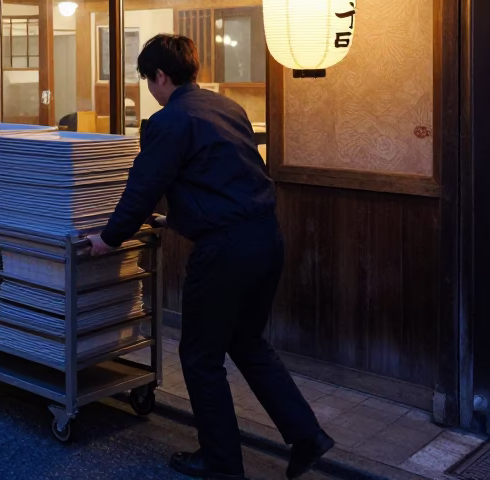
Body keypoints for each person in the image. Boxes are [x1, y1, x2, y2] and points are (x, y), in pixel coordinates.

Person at [86, 34, 333, 480]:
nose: (150, 89)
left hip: (224, 252)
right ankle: (307, 435)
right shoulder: (227, 108)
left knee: (200, 356)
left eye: (148, 79)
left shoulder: (168, 121)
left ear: (161, 76)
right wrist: (174, 221)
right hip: (265, 240)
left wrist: (110, 237)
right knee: (248, 343)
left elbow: (144, 187)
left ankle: (221, 462)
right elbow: (222, 179)